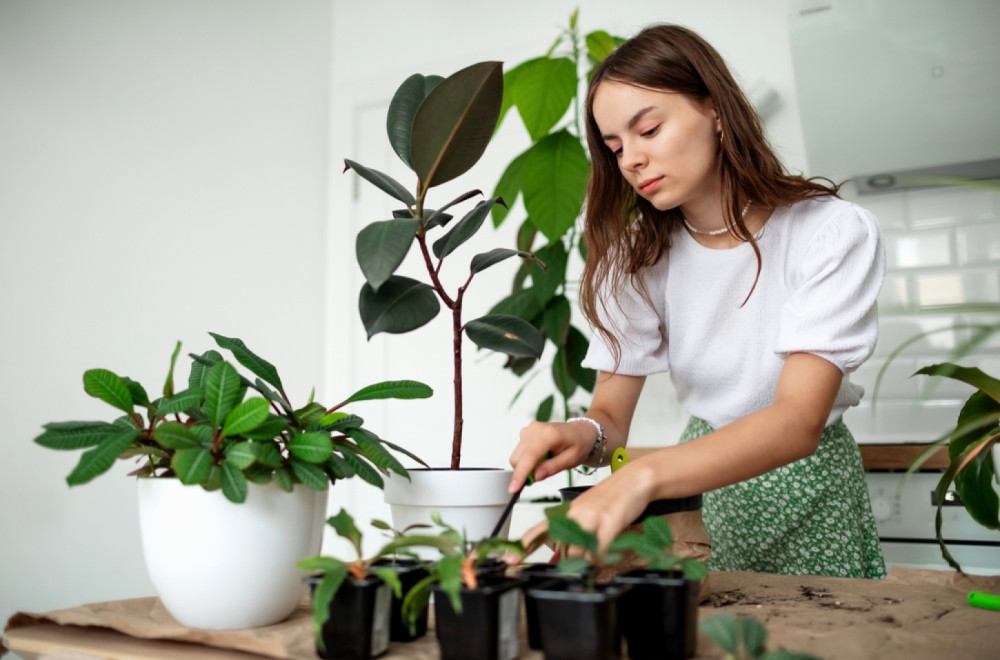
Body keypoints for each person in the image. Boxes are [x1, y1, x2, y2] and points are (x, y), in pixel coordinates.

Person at [507, 23, 887, 579]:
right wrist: (581, 434)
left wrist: (639, 478)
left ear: (715, 109)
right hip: (702, 493)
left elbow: (797, 420)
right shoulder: (636, 260)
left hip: (810, 491)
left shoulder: (829, 232)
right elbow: (610, 416)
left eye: (649, 129)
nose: (631, 159)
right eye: (615, 148)